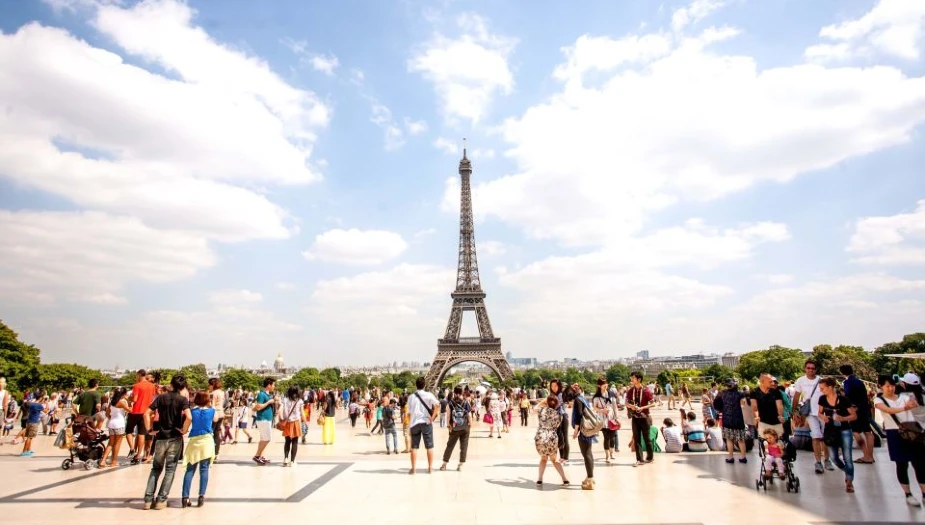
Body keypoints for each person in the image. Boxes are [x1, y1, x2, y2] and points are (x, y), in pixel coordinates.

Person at [873, 375, 924, 507]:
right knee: (902, 464)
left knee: (919, 464)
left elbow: (918, 411)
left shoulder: (906, 396)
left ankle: (924, 492)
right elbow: (887, 410)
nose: (890, 388)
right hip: (894, 433)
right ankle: (908, 493)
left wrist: (914, 405)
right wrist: (904, 408)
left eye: (892, 385)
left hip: (912, 431)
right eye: (887, 386)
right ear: (880, 386)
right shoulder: (878, 399)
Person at [143, 374, 192, 510]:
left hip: (160, 436)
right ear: (182, 387)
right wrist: (184, 429)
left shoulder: (161, 398)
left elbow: (146, 413)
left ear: (171, 384)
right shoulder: (182, 400)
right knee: (170, 469)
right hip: (175, 436)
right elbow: (189, 416)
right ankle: (161, 500)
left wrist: (149, 429)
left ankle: (148, 499)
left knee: (156, 468)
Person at [818, 377, 857, 493]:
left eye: (823, 388)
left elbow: (854, 415)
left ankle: (849, 482)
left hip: (844, 430)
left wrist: (843, 418)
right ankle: (847, 471)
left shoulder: (843, 399)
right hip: (830, 430)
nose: (821, 390)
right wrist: (823, 417)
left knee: (848, 457)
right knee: (834, 457)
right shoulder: (822, 399)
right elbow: (819, 412)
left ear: (830, 387)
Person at [793, 359, 832, 474]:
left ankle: (827, 459)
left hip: (822, 412)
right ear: (805, 368)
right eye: (808, 368)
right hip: (810, 412)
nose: (810, 370)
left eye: (813, 368)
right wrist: (795, 412)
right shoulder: (800, 380)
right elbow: (796, 396)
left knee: (824, 437)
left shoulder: (821, 381)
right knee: (816, 436)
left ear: (816, 369)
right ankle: (818, 462)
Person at [181, 391, 215, 508]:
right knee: (204, 469)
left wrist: (183, 431)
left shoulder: (192, 412)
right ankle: (201, 496)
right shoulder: (211, 411)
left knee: (190, 470)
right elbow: (215, 420)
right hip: (206, 440)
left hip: (194, 441)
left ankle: (185, 497)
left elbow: (186, 424)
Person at [840, 365, 875, 464]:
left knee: (855, 432)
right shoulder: (859, 381)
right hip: (864, 408)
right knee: (867, 432)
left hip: (855, 409)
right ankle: (871, 455)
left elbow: (848, 396)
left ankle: (866, 454)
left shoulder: (847, 382)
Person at [534, 395, 569, 487]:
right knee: (554, 460)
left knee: (543, 459)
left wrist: (543, 402)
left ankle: (540, 479)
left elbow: (534, 408)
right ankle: (564, 479)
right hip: (552, 437)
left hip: (541, 436)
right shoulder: (559, 415)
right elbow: (556, 426)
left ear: (547, 402)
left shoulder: (541, 410)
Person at [406, 376, 438, 474]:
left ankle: (414, 469)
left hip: (414, 423)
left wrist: (408, 425)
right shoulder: (429, 395)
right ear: (424, 385)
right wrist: (432, 418)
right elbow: (437, 405)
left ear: (416, 385)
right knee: (429, 446)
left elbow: (409, 412)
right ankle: (430, 468)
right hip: (426, 423)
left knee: (414, 447)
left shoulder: (411, 397)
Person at [715, 378, 748, 464]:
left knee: (729, 439)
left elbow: (716, 405)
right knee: (741, 439)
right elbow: (743, 404)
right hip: (738, 419)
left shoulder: (722, 394)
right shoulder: (740, 394)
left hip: (727, 419)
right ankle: (743, 457)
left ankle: (730, 457)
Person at [570, 383, 597, 490]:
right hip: (589, 428)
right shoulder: (583, 398)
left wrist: (576, 431)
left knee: (586, 454)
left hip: (583, 429)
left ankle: (590, 480)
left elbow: (579, 415)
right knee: (588, 453)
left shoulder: (578, 400)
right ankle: (590, 477)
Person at [626, 371, 655, 467]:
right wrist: (631, 406)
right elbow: (626, 403)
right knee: (637, 438)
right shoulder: (631, 391)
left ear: (639, 379)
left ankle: (650, 457)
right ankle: (639, 459)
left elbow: (653, 403)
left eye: (633, 378)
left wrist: (642, 408)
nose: (632, 379)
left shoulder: (646, 391)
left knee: (647, 438)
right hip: (635, 417)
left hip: (645, 417)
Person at [440, 386, 471, 471]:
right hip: (465, 428)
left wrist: (448, 426)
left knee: (450, 446)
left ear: (454, 392)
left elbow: (448, 416)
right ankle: (460, 465)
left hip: (454, 427)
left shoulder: (450, 403)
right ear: (462, 392)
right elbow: (469, 416)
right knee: (464, 447)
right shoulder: (466, 402)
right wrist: (469, 425)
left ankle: (444, 464)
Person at [127, 370, 155, 464]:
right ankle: (139, 455)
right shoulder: (152, 386)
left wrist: (128, 398)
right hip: (146, 412)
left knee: (128, 431)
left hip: (135, 411)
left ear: (139, 375)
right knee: (141, 434)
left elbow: (134, 399)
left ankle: (132, 449)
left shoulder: (137, 385)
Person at [101, 388, 130, 467]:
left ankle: (103, 461)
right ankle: (114, 461)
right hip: (119, 424)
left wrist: (112, 417)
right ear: (122, 394)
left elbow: (107, 414)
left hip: (111, 423)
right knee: (117, 444)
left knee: (110, 443)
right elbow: (130, 410)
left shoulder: (111, 402)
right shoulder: (121, 402)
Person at [592, 378, 619, 462]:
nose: (606, 386)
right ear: (599, 386)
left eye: (606, 384)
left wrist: (616, 417)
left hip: (611, 418)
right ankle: (607, 455)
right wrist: (602, 410)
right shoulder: (596, 397)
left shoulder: (611, 394)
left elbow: (615, 406)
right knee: (606, 437)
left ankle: (611, 453)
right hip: (602, 420)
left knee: (613, 437)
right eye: (604, 385)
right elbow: (594, 408)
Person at [252, 378, 276, 465]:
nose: (274, 386)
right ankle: (257, 456)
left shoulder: (267, 394)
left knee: (263, 439)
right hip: (263, 419)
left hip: (266, 420)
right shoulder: (261, 394)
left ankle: (261, 456)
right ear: (269, 385)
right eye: (273, 385)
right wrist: (269, 402)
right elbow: (258, 406)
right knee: (267, 438)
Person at [279, 386, 304, 466]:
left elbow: (280, 410)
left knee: (287, 441)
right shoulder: (300, 401)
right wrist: (305, 422)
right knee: (295, 442)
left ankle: (286, 458)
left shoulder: (285, 400)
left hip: (287, 422)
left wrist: (281, 418)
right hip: (296, 422)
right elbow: (302, 413)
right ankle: (292, 461)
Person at [20, 391, 45, 457]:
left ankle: (28, 450)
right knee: (30, 437)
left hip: (29, 421)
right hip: (34, 422)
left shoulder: (31, 404)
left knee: (28, 436)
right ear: (40, 398)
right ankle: (24, 452)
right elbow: (46, 411)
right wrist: (46, 403)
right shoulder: (39, 405)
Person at [207, 378, 225, 461]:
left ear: (212, 385)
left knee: (210, 433)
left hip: (214, 414)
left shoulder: (213, 393)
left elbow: (212, 405)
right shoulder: (221, 392)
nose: (208, 386)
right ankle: (216, 453)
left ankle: (210, 452)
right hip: (221, 413)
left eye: (209, 385)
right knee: (217, 434)